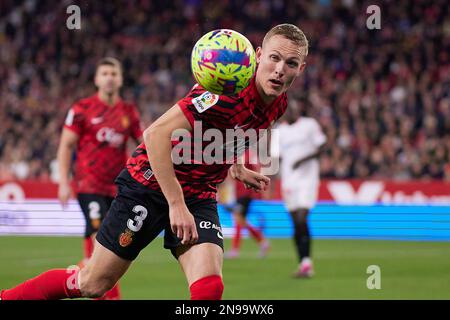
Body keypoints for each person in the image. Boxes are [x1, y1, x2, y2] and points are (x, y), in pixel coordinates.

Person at [0, 24, 309, 300]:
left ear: (301, 68)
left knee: (210, 288)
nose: (280, 69)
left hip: (199, 194)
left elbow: (240, 129)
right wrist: (175, 203)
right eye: (274, 58)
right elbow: (156, 134)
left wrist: (235, 165)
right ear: (258, 55)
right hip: (148, 186)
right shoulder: (220, 93)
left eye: (291, 63)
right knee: (92, 284)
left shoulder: (278, 102)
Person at [56, 57, 143, 299]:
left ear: (121, 79)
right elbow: (65, 145)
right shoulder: (81, 109)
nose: (109, 77)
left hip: (119, 189)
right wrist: (63, 182)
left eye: (113, 73)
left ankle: (75, 276)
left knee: (102, 251)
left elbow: (146, 143)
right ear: (96, 79)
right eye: (104, 73)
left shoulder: (128, 112)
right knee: (102, 243)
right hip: (89, 186)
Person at [273, 105, 327, 278]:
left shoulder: (309, 124)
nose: (289, 112)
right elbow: (276, 157)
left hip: (307, 179)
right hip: (289, 181)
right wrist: (270, 181)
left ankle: (306, 263)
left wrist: (303, 159)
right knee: (295, 223)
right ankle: (304, 263)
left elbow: (322, 147)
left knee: (302, 218)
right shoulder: (279, 131)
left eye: (292, 109)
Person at [225, 150, 270, 259]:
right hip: (239, 192)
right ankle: (262, 242)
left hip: (245, 192)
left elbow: (256, 170)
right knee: (240, 220)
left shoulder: (249, 153)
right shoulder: (239, 152)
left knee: (237, 217)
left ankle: (235, 249)